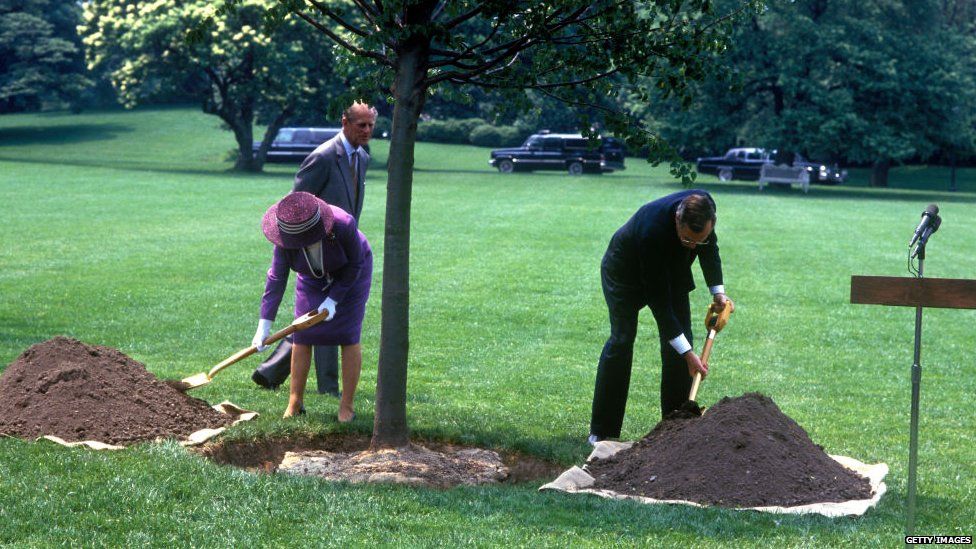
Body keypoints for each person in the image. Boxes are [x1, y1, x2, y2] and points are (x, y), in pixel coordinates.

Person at [589, 190, 733, 445]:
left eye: (699, 240)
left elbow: (709, 250)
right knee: (622, 340)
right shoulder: (651, 231)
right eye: (688, 239)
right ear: (677, 221)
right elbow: (661, 306)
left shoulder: (703, 212)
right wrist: (689, 355)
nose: (693, 246)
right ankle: (602, 431)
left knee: (681, 344)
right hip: (624, 273)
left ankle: (675, 426)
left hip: (671, 269)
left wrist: (718, 293)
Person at [252, 101, 377, 396]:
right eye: (362, 125)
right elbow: (294, 207)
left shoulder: (361, 156)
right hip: (312, 245)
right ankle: (327, 387)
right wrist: (263, 324)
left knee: (326, 313)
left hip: (344, 245)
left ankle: (276, 373)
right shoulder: (321, 158)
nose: (368, 131)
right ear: (344, 122)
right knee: (316, 318)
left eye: (371, 125)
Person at [254, 192, 373, 421]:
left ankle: (346, 406)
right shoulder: (286, 236)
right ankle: (295, 402)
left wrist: (334, 299)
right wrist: (264, 326)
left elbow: (356, 264)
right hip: (311, 277)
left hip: (352, 273)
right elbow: (276, 279)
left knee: (348, 334)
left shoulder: (344, 223)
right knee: (303, 333)